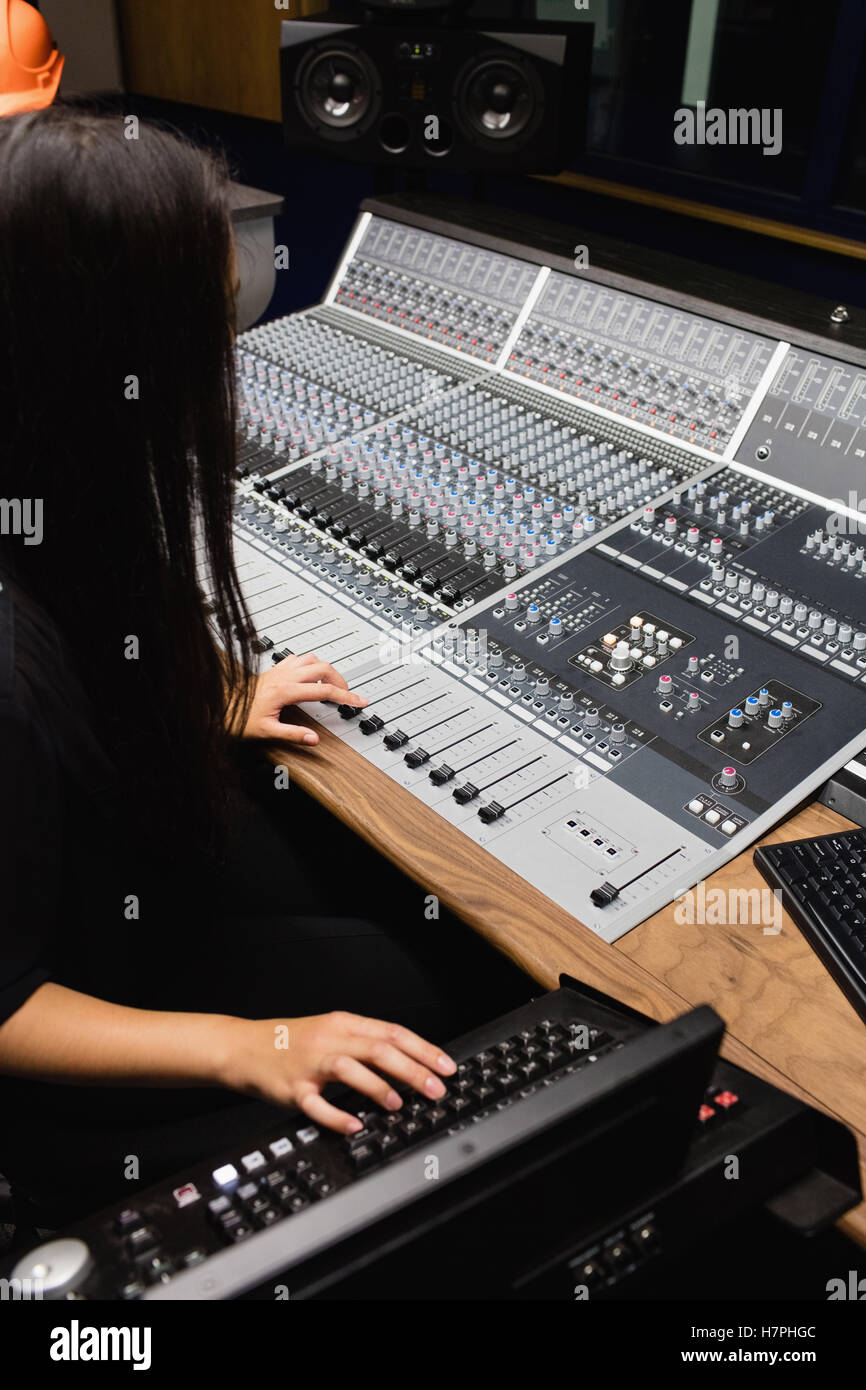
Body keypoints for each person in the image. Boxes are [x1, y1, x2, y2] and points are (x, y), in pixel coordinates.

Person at [0, 107, 531, 1230]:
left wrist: (210, 697)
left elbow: (89, 647)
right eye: (203, 312)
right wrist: (256, 1049)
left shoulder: (55, 480)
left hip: (124, 896)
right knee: (431, 993)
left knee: (404, 946)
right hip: (66, 1066)